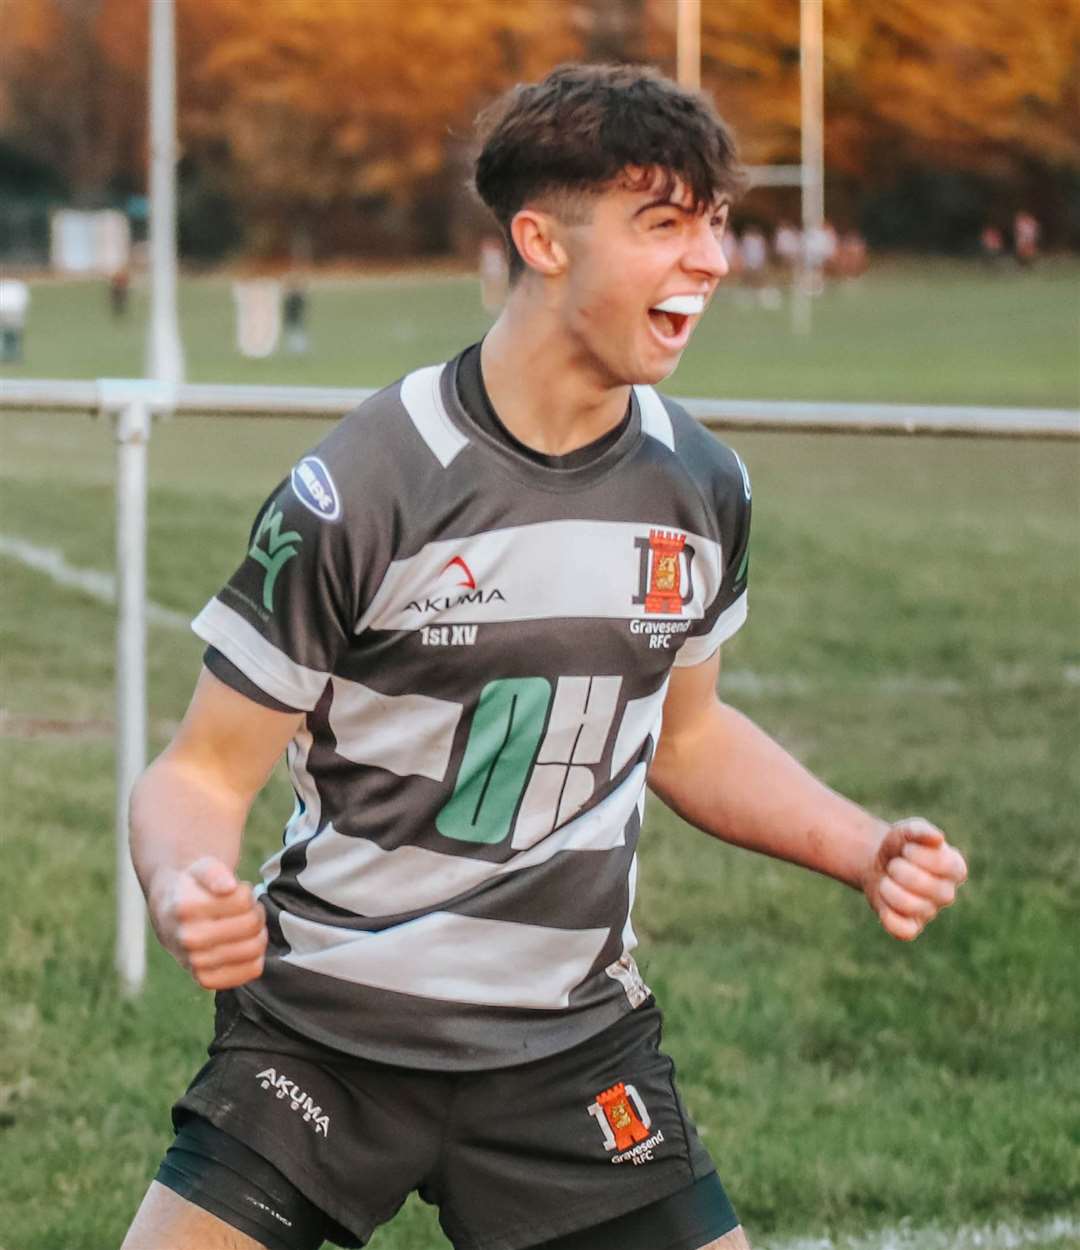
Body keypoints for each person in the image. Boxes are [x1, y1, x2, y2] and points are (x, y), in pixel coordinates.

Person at [121, 63, 967, 1250]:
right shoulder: (365, 485)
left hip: (567, 1048)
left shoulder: (699, 485)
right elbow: (200, 774)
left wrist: (863, 845)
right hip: (325, 1033)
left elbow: (693, 736)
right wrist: (181, 884)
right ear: (543, 239)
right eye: (664, 225)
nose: (713, 261)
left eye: (716, 224)